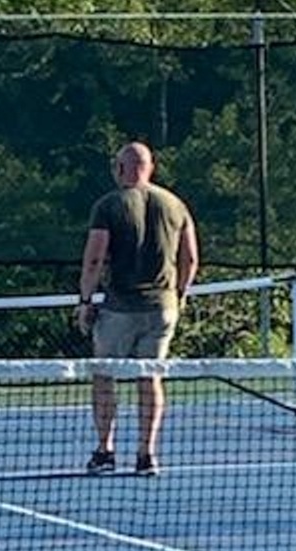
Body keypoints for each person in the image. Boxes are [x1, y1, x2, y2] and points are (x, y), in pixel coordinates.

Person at [76, 142, 199, 477]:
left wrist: (86, 300)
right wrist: (180, 294)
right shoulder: (176, 205)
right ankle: (146, 454)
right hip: (163, 309)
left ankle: (105, 450)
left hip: (119, 308)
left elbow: (94, 257)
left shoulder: (109, 205)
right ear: (151, 167)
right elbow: (190, 259)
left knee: (104, 376)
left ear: (120, 169)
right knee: (150, 378)